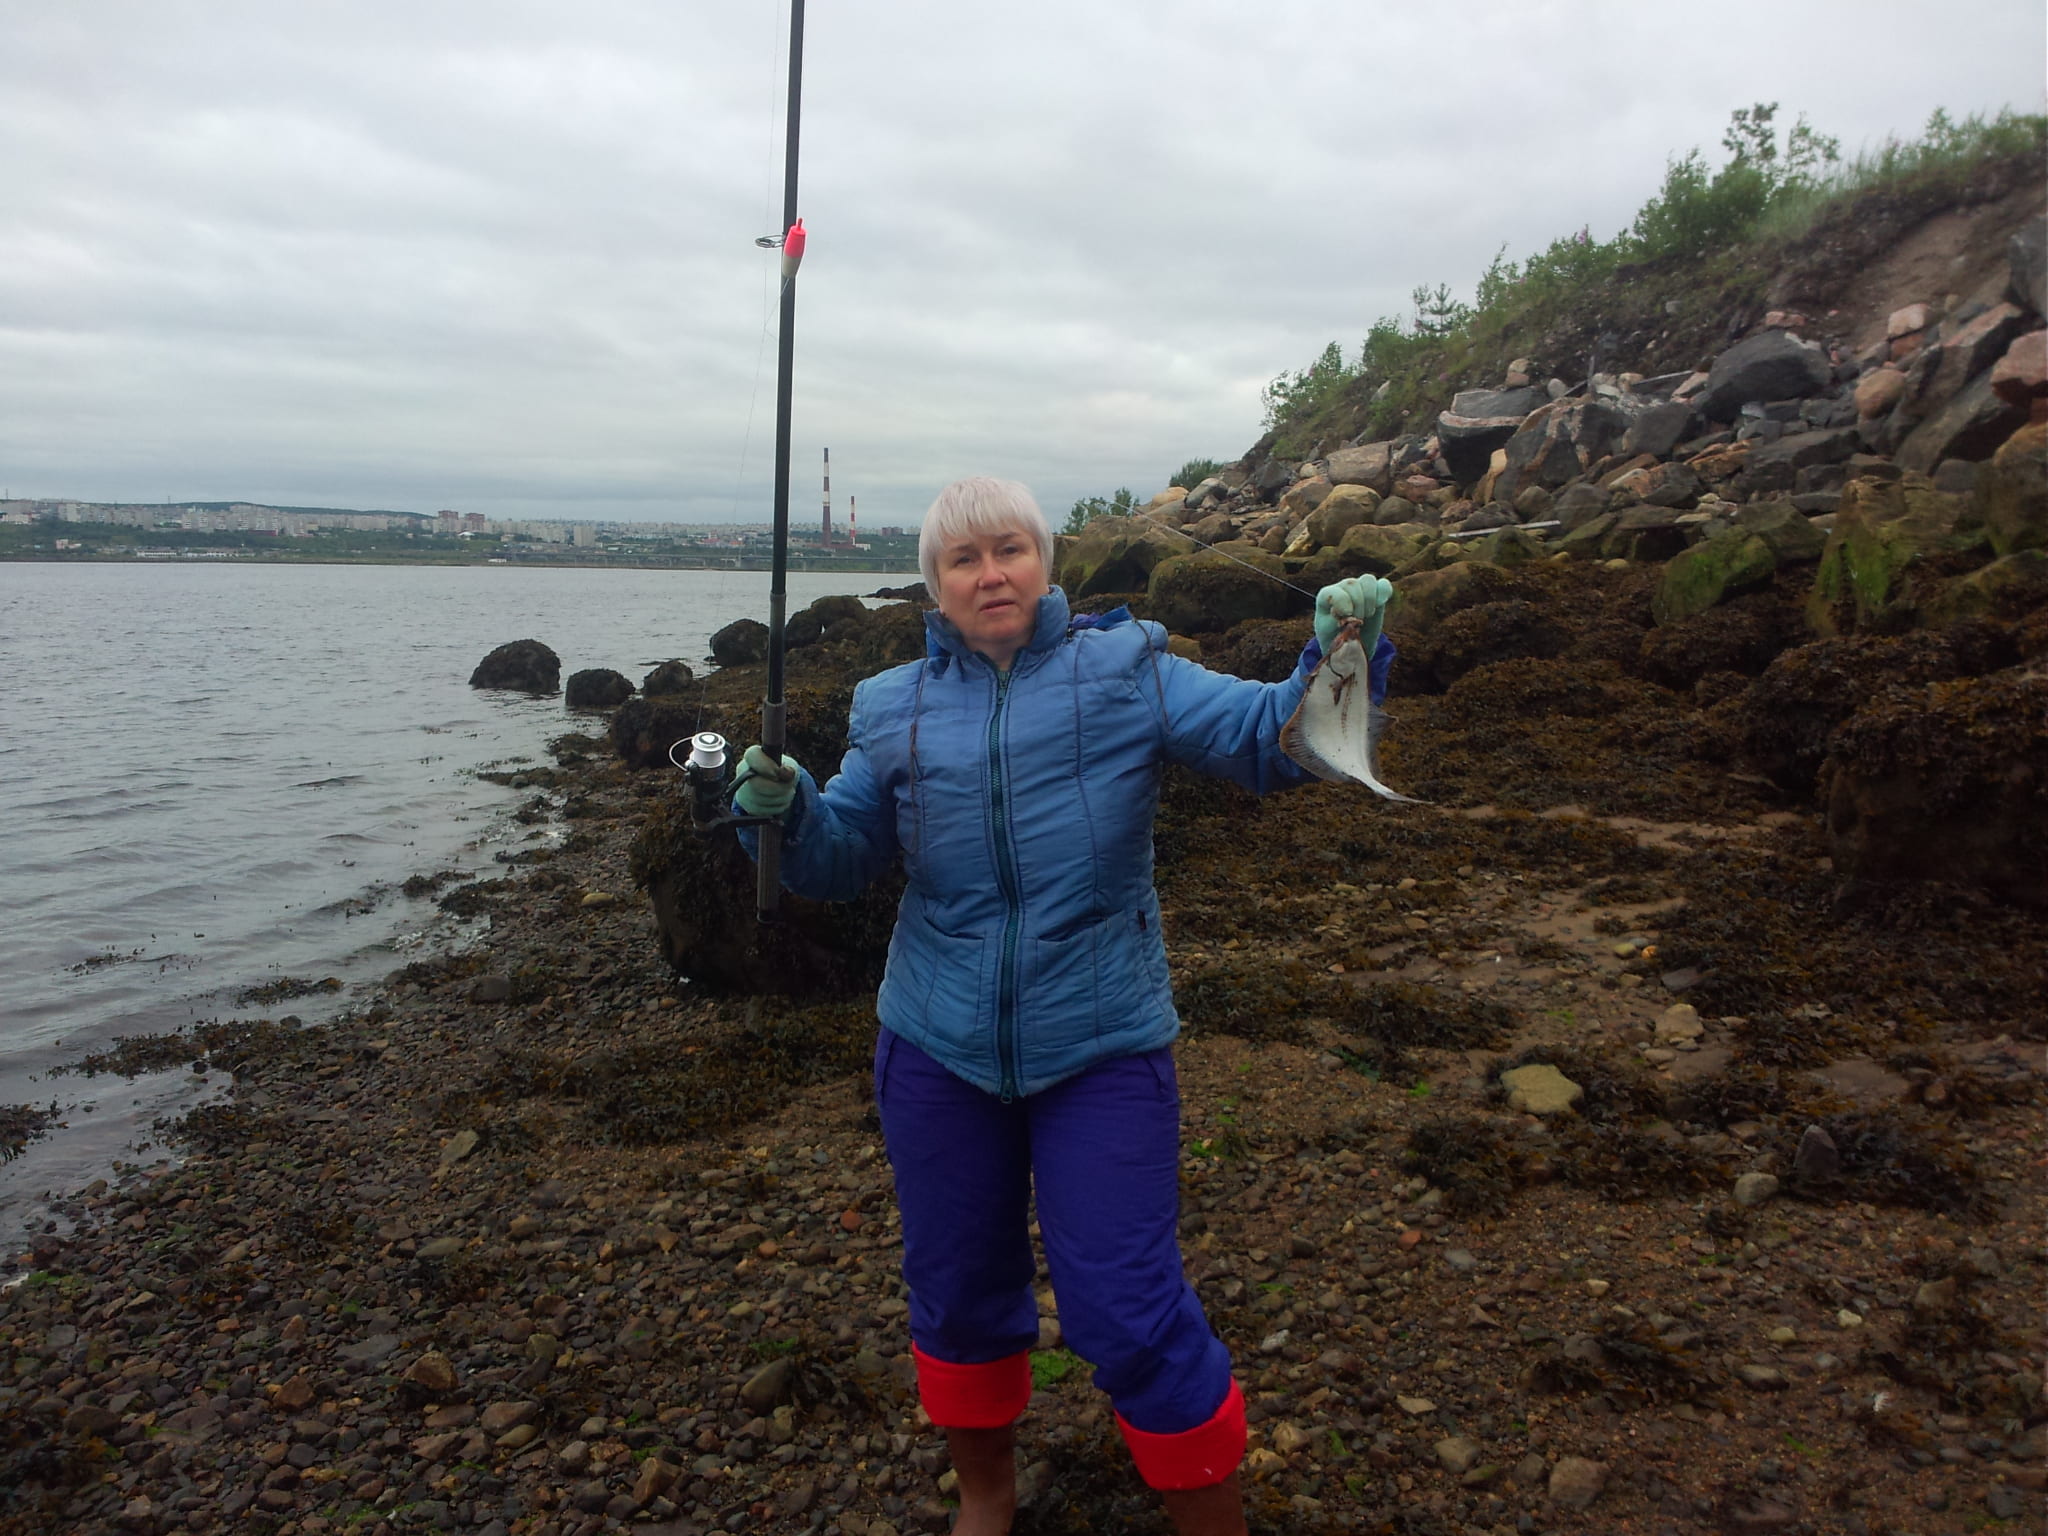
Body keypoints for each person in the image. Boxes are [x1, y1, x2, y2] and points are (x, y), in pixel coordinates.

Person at [732, 477, 1394, 1536]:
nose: (989, 573)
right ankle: (986, 1501)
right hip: (935, 1046)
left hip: (1102, 1045)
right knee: (955, 1288)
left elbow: (1276, 741)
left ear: (1046, 563)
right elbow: (839, 858)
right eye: (963, 558)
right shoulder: (890, 704)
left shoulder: (1128, 669)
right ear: (935, 584)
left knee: (1126, 1307)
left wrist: (1337, 658)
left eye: (1009, 549)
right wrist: (786, 811)